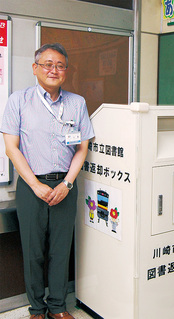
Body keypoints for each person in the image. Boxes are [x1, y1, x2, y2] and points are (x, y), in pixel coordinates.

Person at [1, 43, 94, 319]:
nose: (54, 70)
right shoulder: (18, 100)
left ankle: (57, 306)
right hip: (32, 186)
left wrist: (67, 184)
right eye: (48, 64)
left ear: (66, 70)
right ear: (35, 68)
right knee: (33, 252)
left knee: (60, 249)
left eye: (60, 65)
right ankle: (36, 309)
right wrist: (35, 185)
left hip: (65, 185)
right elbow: (11, 148)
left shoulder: (76, 103)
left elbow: (82, 148)